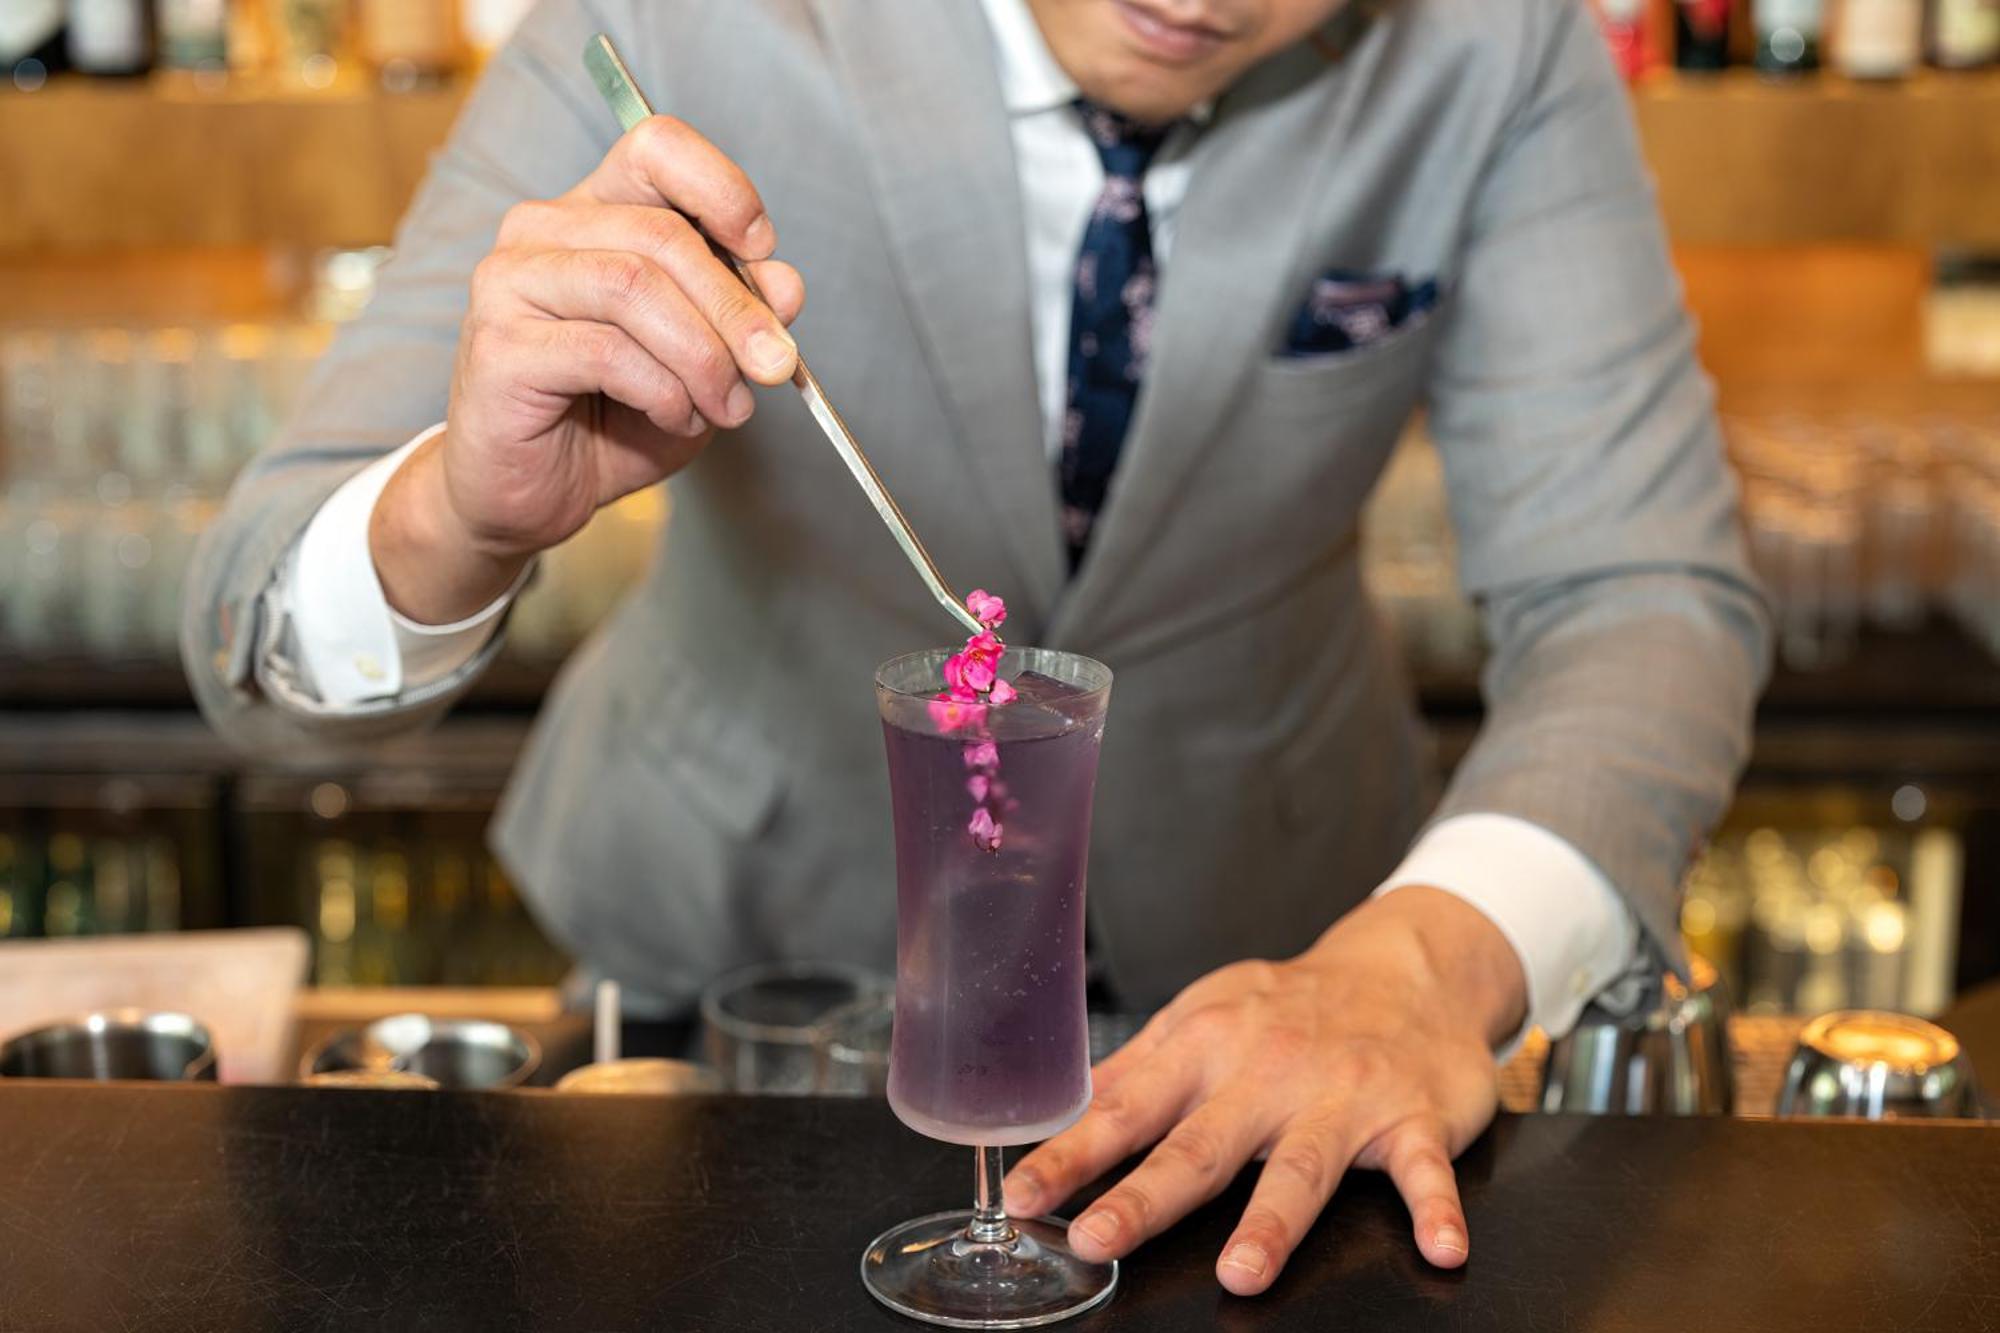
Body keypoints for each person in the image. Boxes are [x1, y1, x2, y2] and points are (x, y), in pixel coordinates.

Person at [183, 0, 1767, 1297]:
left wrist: (1425, 960)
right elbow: (257, 633)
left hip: (1278, 1017)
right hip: (735, 1010)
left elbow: (1644, 591)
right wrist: (461, 510)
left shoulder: (1498, 49)